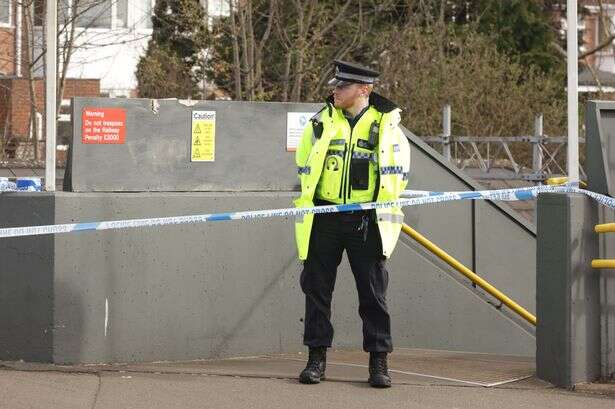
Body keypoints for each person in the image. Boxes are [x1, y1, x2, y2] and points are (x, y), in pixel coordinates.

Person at [294, 60, 411, 388]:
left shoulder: (386, 127)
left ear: (364, 89)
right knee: (316, 290)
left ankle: (378, 362)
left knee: (373, 293)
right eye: (335, 85)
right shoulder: (319, 124)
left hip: (366, 220)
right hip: (324, 217)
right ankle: (316, 360)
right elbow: (303, 166)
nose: (335, 90)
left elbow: (398, 175)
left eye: (342, 86)